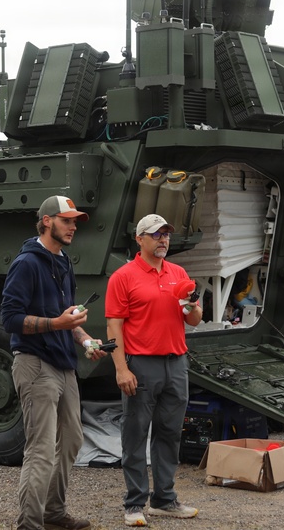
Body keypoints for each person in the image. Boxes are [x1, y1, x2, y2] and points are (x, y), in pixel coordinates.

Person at [1, 195, 109, 530]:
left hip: (64, 365)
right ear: (47, 221)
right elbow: (10, 318)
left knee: (73, 439)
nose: (73, 226)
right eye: (67, 220)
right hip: (35, 364)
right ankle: (29, 524)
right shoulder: (27, 263)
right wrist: (56, 324)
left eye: (75, 221)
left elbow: (67, 317)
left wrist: (86, 340)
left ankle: (53, 512)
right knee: (41, 449)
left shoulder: (63, 262)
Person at [105, 214, 203, 527]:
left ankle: (164, 500)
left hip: (176, 363)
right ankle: (134, 504)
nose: (163, 239)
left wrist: (192, 303)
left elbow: (194, 319)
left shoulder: (178, 273)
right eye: (156, 234)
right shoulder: (123, 276)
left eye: (166, 234)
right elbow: (114, 326)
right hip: (141, 364)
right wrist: (121, 368)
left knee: (170, 434)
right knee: (135, 434)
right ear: (140, 239)